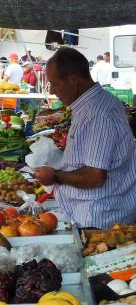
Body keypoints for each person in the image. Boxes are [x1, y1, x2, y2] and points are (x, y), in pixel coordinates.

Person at [34, 48, 136, 229]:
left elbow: (95, 177)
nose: (52, 91)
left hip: (98, 217)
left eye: (54, 84)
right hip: (95, 211)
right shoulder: (99, 103)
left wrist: (55, 176)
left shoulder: (97, 114)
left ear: (73, 80)